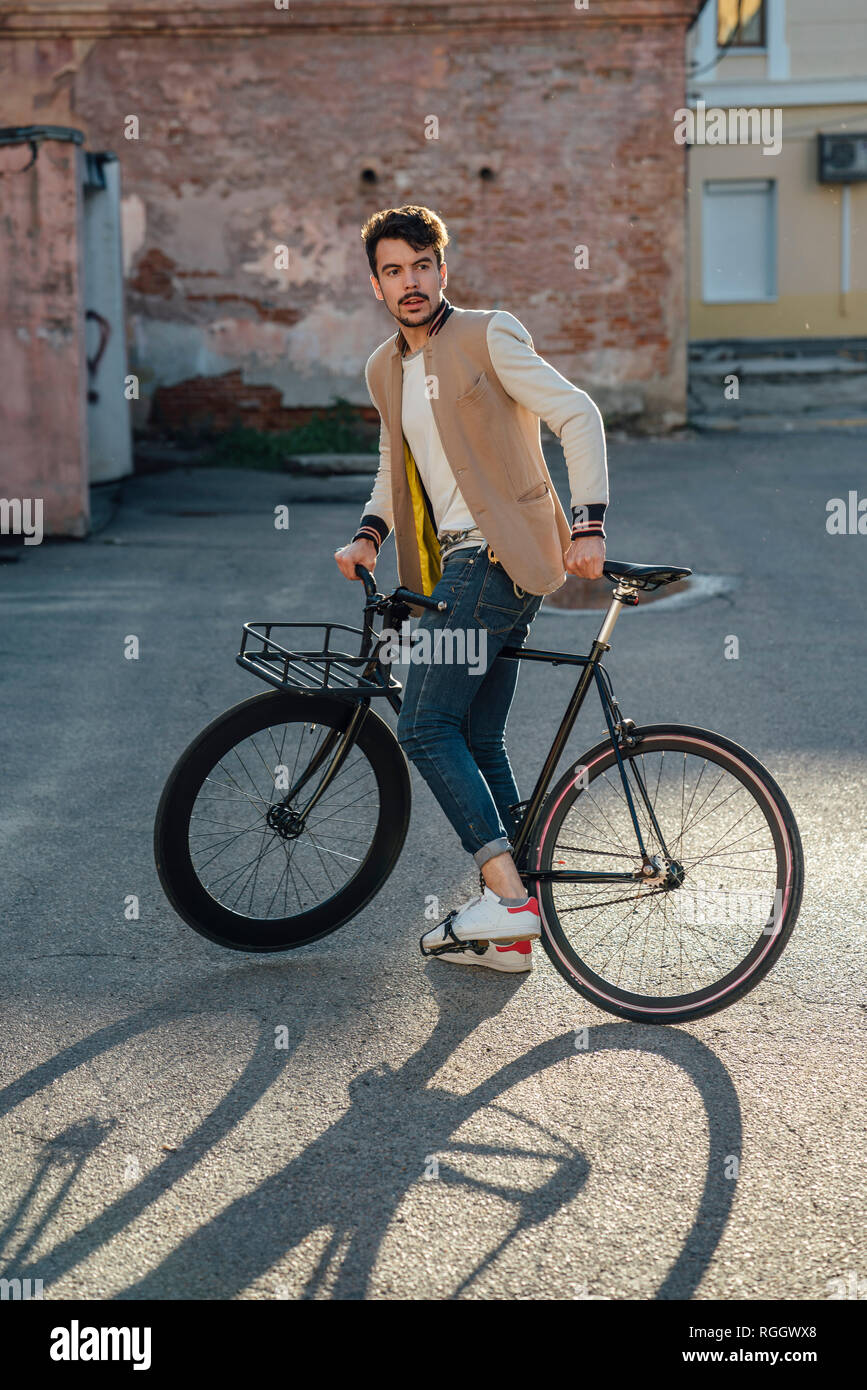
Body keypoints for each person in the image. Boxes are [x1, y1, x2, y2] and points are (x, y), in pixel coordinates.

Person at [335, 205, 608, 973]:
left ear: (442, 270)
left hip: (493, 559)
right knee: (476, 735)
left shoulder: (489, 334)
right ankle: (513, 938)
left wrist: (587, 525)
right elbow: (397, 462)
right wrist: (369, 534)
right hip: (452, 564)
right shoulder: (383, 368)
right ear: (376, 285)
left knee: (423, 727)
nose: (410, 281)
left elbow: (577, 413)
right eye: (393, 270)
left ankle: (508, 899)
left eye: (422, 265)